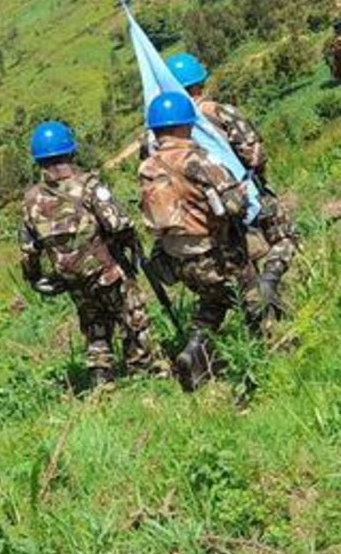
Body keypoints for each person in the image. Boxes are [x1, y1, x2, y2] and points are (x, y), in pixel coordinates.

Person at [18, 121, 165, 388]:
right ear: (70, 152)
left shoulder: (30, 200)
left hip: (73, 279)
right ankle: (145, 373)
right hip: (106, 271)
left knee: (95, 326)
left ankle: (101, 381)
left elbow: (28, 249)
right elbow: (119, 223)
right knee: (133, 317)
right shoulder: (88, 185)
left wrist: (37, 279)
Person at [138, 92, 261, 392]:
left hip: (177, 259)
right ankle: (266, 356)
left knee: (213, 301)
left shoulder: (147, 168)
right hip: (214, 253)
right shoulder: (199, 159)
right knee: (255, 296)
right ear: (186, 125)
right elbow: (234, 205)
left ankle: (193, 352)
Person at [168, 52, 298, 322]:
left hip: (197, 222)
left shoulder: (159, 136)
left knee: (239, 271)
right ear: (200, 81)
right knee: (285, 238)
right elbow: (255, 156)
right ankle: (270, 283)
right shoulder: (219, 112)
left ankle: (263, 318)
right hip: (242, 198)